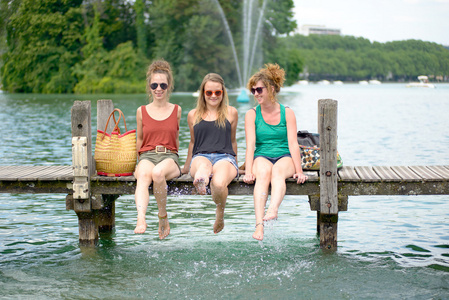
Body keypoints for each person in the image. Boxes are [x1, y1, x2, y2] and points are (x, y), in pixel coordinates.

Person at [243, 63, 308, 241]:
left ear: (271, 89)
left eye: (259, 90)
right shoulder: (251, 114)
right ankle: (259, 225)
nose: (256, 94)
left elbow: (293, 144)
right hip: (262, 155)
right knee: (263, 174)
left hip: (284, 155)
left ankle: (273, 209)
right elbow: (250, 146)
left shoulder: (287, 113)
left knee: (278, 173)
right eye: (253, 90)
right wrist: (248, 172)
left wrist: (299, 171)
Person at [182, 73, 238, 234]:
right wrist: (186, 167)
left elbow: (233, 141)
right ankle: (202, 178)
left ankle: (219, 214)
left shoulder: (231, 112)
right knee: (203, 166)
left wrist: (236, 164)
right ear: (203, 93)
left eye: (217, 92)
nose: (213, 96)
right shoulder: (193, 114)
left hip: (225, 157)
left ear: (223, 93)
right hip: (200, 157)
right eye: (209, 93)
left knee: (219, 184)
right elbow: (193, 142)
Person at [134, 59, 182, 239]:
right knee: (145, 175)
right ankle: (141, 218)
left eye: (162, 84)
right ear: (149, 86)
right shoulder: (141, 111)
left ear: (168, 86)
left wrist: (180, 163)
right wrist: (137, 165)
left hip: (169, 156)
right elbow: (139, 139)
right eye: (154, 85)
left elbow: (176, 139)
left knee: (158, 173)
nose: (158, 89)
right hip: (147, 155)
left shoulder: (177, 110)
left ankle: (162, 216)